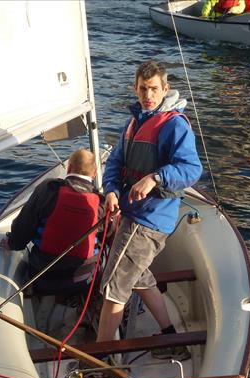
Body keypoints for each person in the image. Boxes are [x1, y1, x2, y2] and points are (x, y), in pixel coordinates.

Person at [95, 61, 202, 361]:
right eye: (143, 89)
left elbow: (192, 169)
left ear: (165, 89)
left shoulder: (174, 125)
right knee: (138, 277)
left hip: (148, 220)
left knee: (114, 285)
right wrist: (112, 191)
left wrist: (155, 177)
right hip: (133, 213)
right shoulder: (134, 123)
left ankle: (100, 360)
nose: (148, 95)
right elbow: (115, 163)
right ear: (135, 88)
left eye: (154, 89)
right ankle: (172, 340)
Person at [0, 148, 104, 297]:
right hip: (81, 281)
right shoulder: (101, 203)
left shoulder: (48, 189)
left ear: (69, 168)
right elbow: (108, 237)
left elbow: (24, 225)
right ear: (94, 173)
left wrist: (13, 243)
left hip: (42, 277)